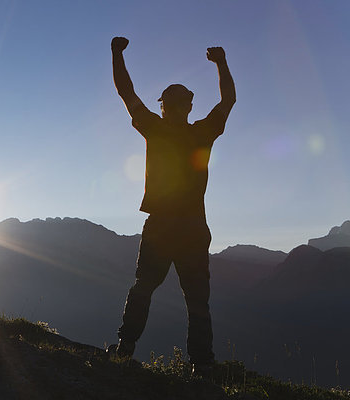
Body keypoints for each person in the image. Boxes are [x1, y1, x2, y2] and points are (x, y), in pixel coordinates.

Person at [109, 36, 236, 377]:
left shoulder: (155, 129)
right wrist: (221, 63)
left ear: (164, 106)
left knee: (144, 286)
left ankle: (124, 349)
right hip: (194, 227)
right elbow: (228, 100)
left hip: (162, 225)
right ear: (189, 107)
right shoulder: (202, 134)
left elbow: (126, 92)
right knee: (197, 300)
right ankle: (203, 364)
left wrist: (117, 53)